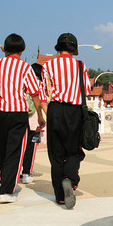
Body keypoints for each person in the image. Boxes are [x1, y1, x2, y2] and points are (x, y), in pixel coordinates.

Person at [42, 32, 91, 209]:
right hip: (74, 111)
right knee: (73, 150)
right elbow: (87, 88)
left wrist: (50, 114)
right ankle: (70, 178)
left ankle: (60, 197)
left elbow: (44, 92)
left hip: (55, 109)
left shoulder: (48, 65)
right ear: (74, 48)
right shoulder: (80, 65)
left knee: (56, 154)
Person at [0, 34, 45, 204]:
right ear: (22, 50)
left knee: (2, 148)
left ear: (6, 49)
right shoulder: (25, 68)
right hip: (18, 113)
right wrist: (39, 115)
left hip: (1, 112)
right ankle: (7, 190)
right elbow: (35, 93)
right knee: (15, 151)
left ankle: (4, 180)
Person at [21, 63, 48, 184]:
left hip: (21, 119)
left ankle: (19, 170)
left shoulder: (22, 82)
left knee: (20, 147)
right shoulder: (39, 84)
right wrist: (49, 117)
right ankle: (27, 173)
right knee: (31, 148)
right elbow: (42, 102)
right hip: (34, 122)